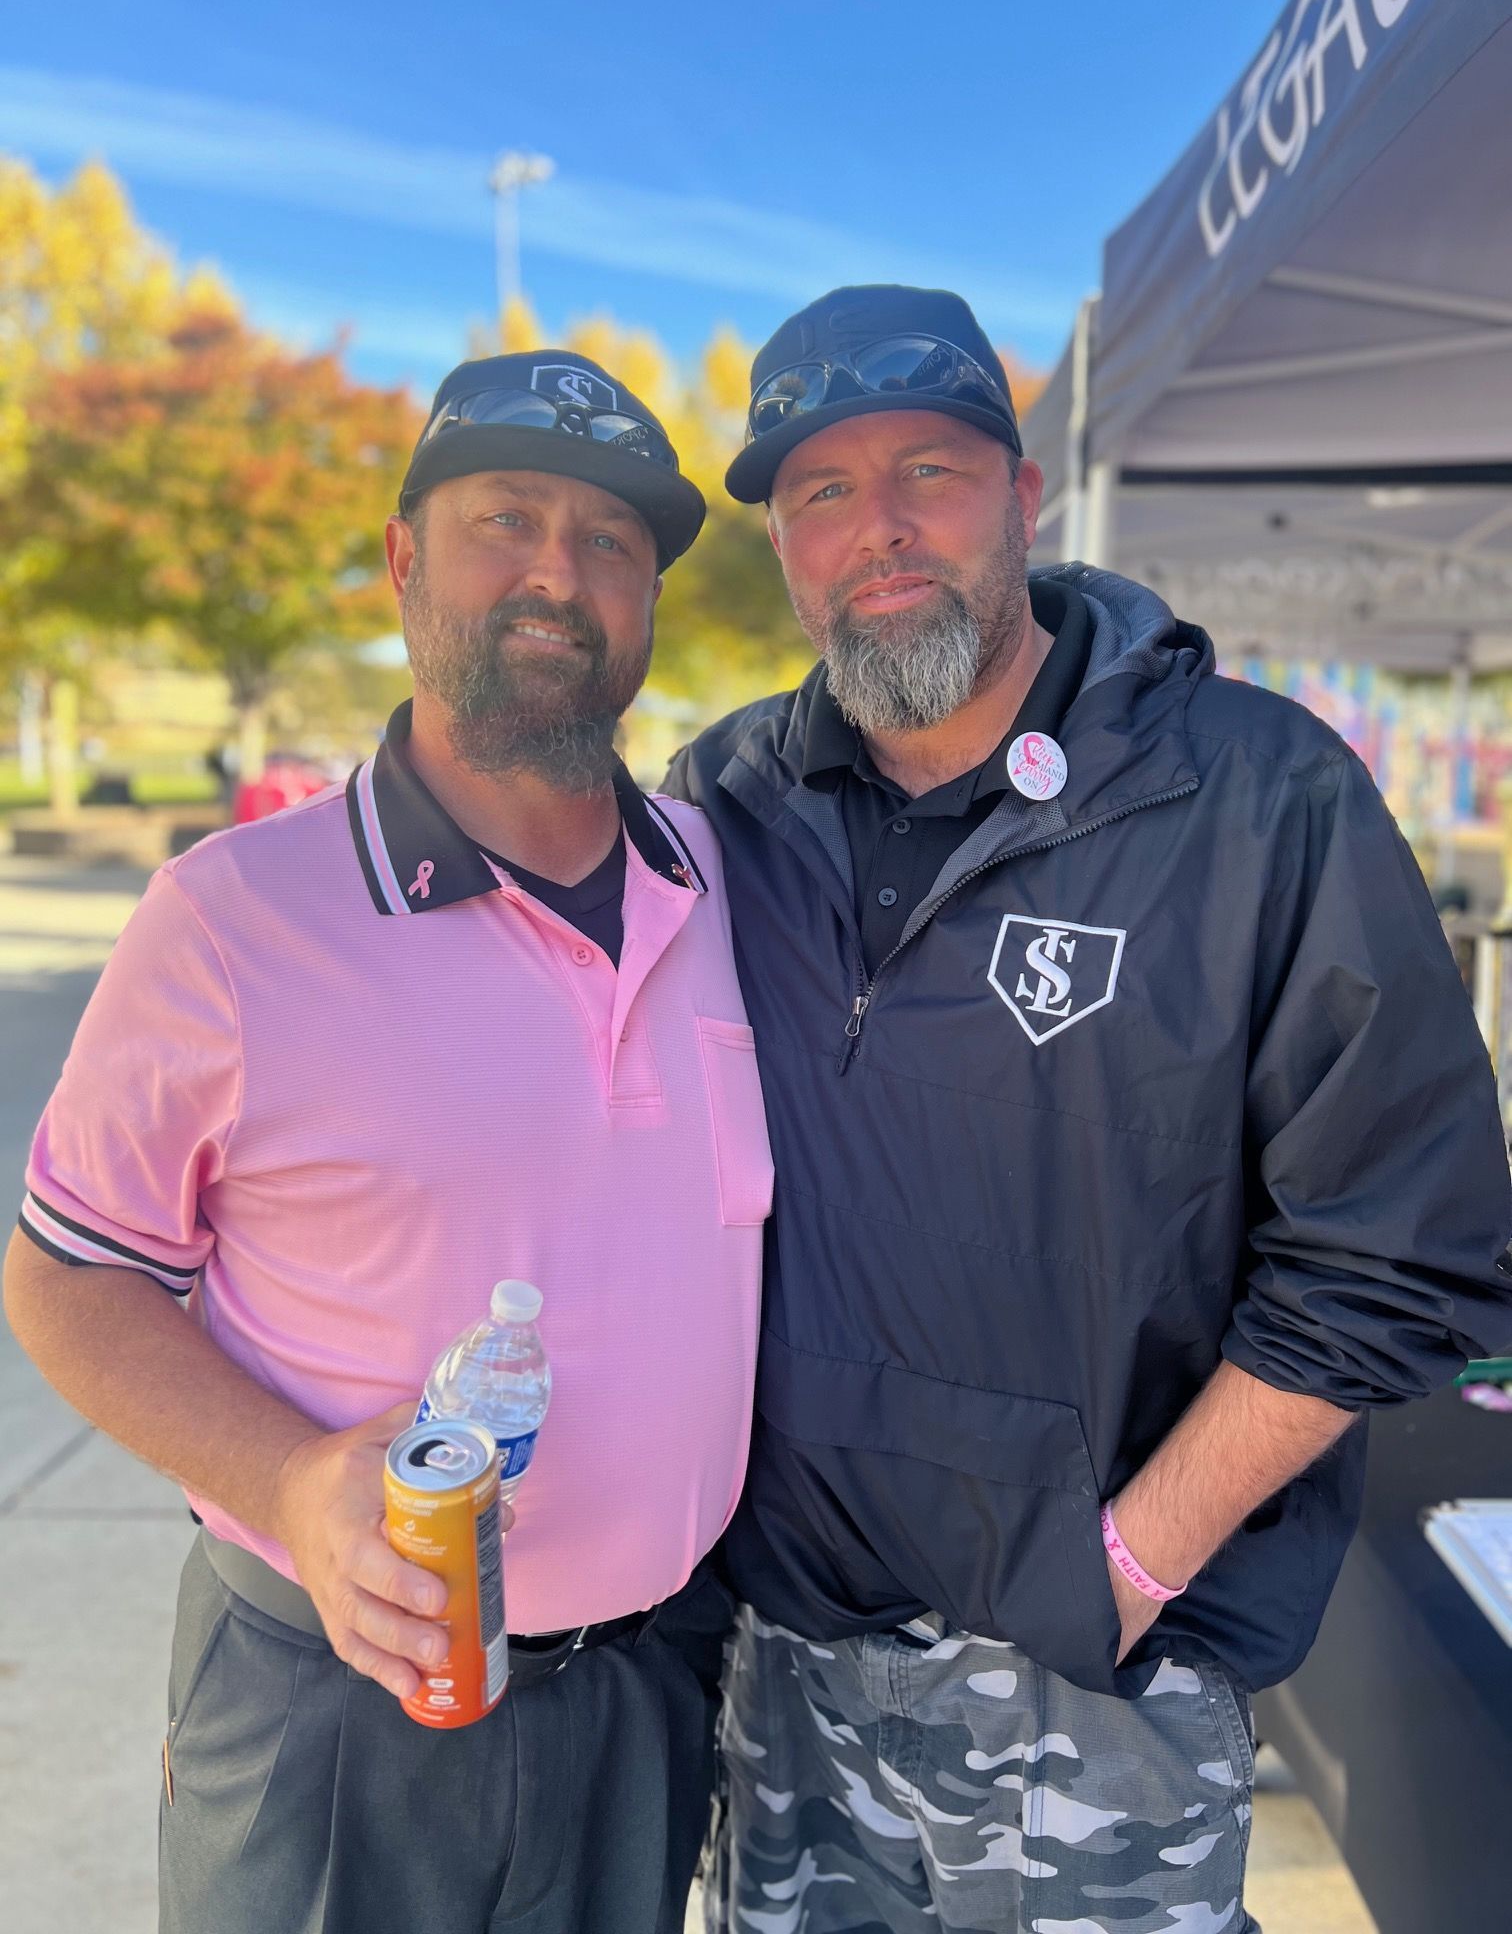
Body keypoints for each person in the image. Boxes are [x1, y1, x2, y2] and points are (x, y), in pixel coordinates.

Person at [665, 284, 1512, 1934]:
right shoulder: (722, 810)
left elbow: (1404, 1244)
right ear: (779, 540)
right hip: (787, 1672)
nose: (879, 528)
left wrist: (1125, 1569)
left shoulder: (1259, 796)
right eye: (822, 491)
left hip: (1098, 1690)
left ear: (1025, 493)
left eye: (931, 469)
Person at [4, 349, 773, 1934]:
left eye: (612, 543)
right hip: (334, 1708)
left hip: (652, 1690)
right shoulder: (227, 922)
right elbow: (66, 1284)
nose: (559, 573)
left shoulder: (729, 885)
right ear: (404, 558)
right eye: (506, 517)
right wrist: (290, 1480)